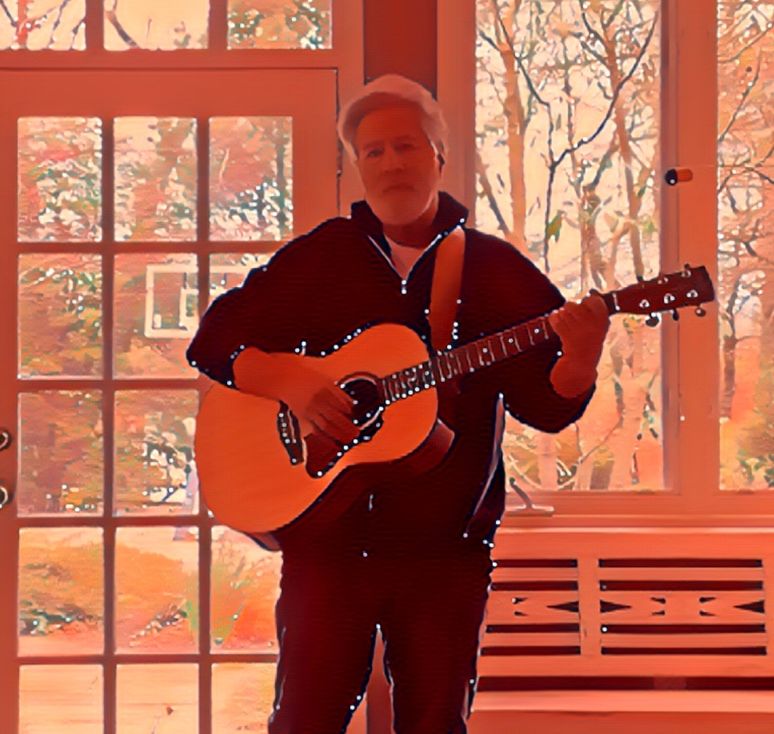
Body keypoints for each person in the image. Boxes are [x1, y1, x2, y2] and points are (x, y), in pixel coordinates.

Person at [186, 73, 610, 734]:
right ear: (359, 167)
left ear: (439, 156)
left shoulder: (494, 270)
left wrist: (580, 356)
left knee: (435, 724)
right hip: (327, 547)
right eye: (374, 151)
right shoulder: (324, 255)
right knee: (302, 722)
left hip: (445, 554)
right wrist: (289, 381)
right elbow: (215, 337)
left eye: (406, 146)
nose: (391, 163)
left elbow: (547, 407)